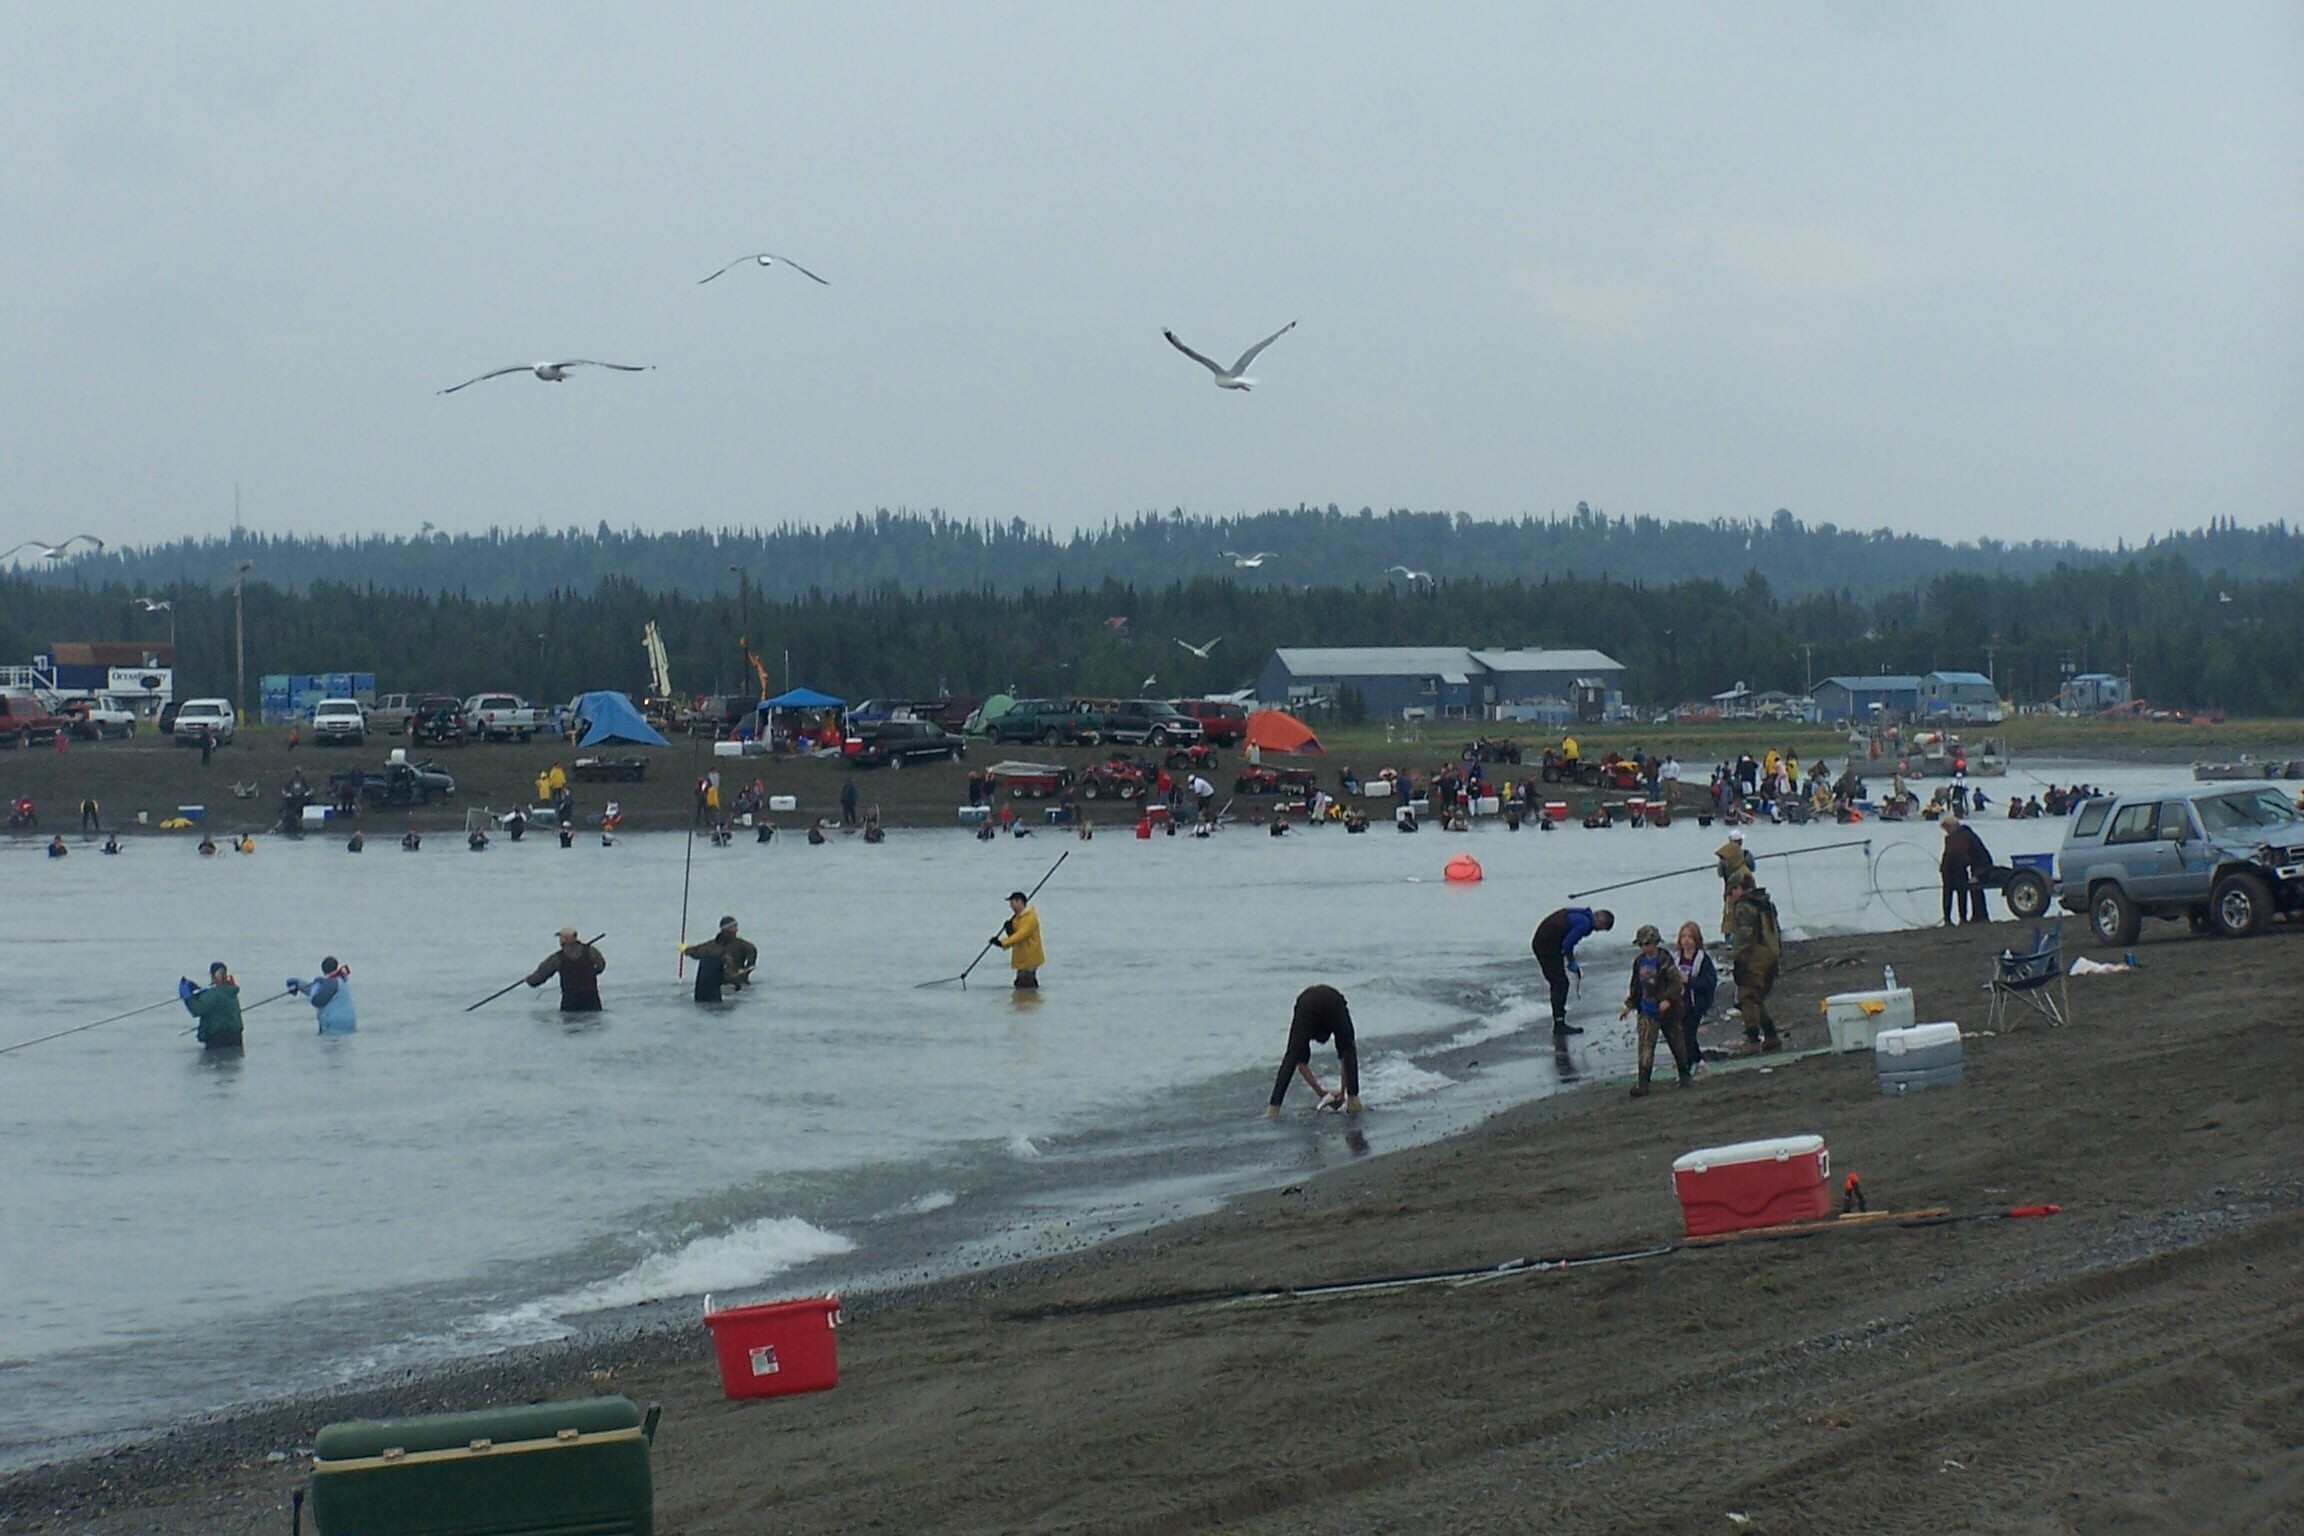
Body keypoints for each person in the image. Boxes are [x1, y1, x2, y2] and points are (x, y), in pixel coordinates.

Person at [1266, 983, 1362, 1114]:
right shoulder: (1325, 1020)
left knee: (1292, 1055)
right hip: (1333, 1001)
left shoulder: (1305, 1028)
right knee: (1348, 1047)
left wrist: (1322, 1092)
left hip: (1307, 1005)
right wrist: (1342, 1092)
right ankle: (1354, 1101)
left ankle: (1273, 1108)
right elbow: (1346, 1054)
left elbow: (1298, 1062)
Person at [1617, 924, 1689, 1096]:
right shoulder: (1639, 961)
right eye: (1641, 945)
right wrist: (1629, 1005)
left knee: (1677, 1043)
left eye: (1647, 944)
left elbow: (1676, 982)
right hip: (1646, 1010)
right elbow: (1636, 986)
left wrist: (1668, 999)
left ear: (1655, 943)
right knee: (1645, 1047)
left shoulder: (1665, 959)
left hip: (1668, 1011)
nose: (1644, 948)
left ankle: (1685, 1075)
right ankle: (1643, 1084)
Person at [1529, 906, 1614, 1037]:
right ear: (1600, 921)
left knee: (1559, 982)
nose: (1598, 931)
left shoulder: (1582, 915)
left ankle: (1559, 1021)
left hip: (1547, 942)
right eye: (1602, 928)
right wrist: (1571, 962)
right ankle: (1559, 1024)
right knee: (1560, 984)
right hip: (1545, 945)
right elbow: (1568, 944)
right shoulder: (1585, 923)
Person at [1726, 872, 1784, 1051]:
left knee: (1747, 997)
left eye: (1732, 891)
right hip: (1771, 956)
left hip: (1754, 958)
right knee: (1757, 997)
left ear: (1739, 889)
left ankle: (1752, 1040)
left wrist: (1739, 961)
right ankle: (1771, 1035)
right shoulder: (1766, 903)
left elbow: (1743, 937)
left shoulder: (1744, 907)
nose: (1731, 896)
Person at [526, 927, 606, 1013]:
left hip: (570, 1003)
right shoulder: (591, 951)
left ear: (564, 939)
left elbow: (541, 975)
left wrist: (529, 980)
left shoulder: (558, 958)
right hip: (592, 1001)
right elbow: (601, 966)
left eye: (561, 937)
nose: (560, 940)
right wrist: (591, 973)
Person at [682, 915, 758, 1003]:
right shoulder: (744, 945)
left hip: (724, 985)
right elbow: (694, 951)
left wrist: (685, 949)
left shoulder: (711, 946)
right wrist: (686, 949)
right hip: (733, 986)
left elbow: (694, 952)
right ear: (727, 928)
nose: (737, 929)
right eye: (734, 927)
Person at [1940, 814, 1994, 924]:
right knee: (1963, 892)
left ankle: (1955, 919)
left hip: (1962, 867)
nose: (1946, 831)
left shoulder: (1960, 837)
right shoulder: (1964, 834)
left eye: (1947, 828)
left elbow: (1958, 854)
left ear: (1952, 826)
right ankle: (1966, 918)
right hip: (1964, 867)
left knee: (1955, 892)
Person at [179, 962, 243, 1049]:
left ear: (212, 976)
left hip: (218, 1039)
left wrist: (188, 997)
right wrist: (198, 993)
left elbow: (197, 1010)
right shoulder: (231, 991)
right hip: (236, 1037)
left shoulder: (214, 994)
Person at [287, 957, 357, 1034]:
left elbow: (316, 1001)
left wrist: (317, 984)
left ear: (322, 969)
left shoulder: (331, 982)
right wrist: (298, 983)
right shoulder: (339, 980)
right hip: (347, 1025)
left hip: (333, 1027)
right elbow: (317, 991)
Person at [993, 890, 1044, 990]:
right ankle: (1027, 1002)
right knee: (1022, 984)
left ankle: (1029, 1003)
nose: (1011, 906)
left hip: (1030, 958)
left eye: (1013, 903)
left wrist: (1002, 942)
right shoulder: (1017, 919)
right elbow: (1015, 937)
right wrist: (1009, 931)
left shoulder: (1030, 918)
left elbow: (1021, 935)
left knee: (1025, 985)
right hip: (1022, 957)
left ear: (1020, 902)